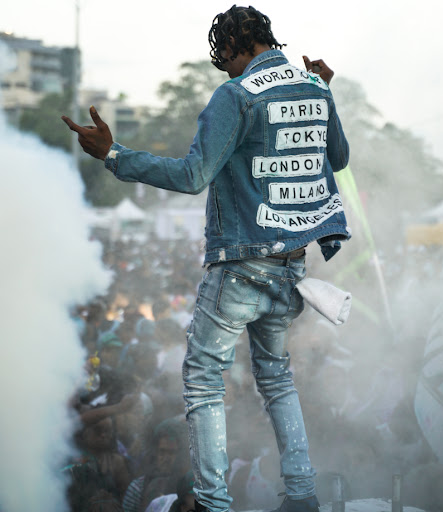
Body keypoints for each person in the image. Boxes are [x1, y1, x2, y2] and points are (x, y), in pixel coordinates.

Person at [62, 5, 350, 512]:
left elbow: (193, 175)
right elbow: (339, 158)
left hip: (241, 266)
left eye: (225, 57)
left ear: (236, 44)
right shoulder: (313, 86)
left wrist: (115, 155)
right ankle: (302, 495)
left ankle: (214, 504)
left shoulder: (235, 95)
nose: (225, 68)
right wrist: (324, 92)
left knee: (202, 382)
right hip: (292, 268)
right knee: (277, 379)